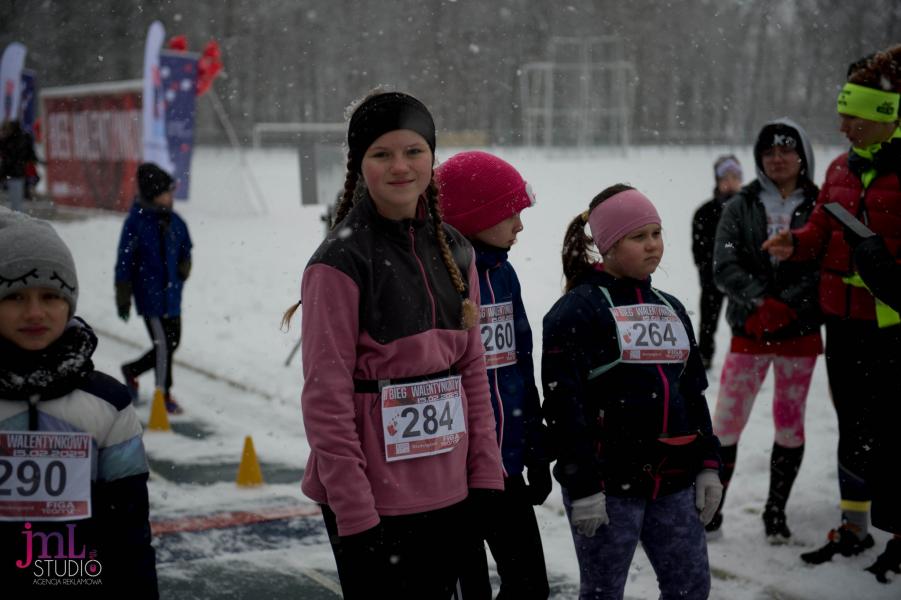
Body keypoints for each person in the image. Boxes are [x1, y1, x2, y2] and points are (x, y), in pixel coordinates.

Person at [283, 91, 504, 599]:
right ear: (359, 165)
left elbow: (472, 371)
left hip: (449, 491)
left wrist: (486, 475)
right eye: (382, 154)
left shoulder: (456, 250)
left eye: (413, 151)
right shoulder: (338, 262)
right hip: (372, 503)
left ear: (432, 156)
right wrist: (355, 510)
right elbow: (326, 398)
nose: (400, 166)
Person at [542, 184, 722, 600]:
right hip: (608, 487)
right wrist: (583, 485)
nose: (653, 246)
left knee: (691, 586)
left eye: (657, 233)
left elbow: (692, 394)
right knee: (604, 592)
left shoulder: (672, 306)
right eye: (638, 237)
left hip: (673, 480)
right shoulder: (578, 310)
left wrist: (708, 463)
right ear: (607, 245)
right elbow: (564, 408)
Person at [762, 44, 901, 574]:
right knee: (852, 424)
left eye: (852, 118)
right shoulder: (842, 168)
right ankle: (854, 524)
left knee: (893, 431)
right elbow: (823, 226)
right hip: (842, 321)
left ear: (883, 117)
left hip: (892, 324)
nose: (842, 128)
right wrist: (796, 243)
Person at [0, 207, 158, 597]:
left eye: (50, 295)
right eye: (15, 296)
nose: (34, 312)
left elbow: (130, 530)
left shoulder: (108, 404)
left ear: (69, 302)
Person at [437, 150, 552, 599]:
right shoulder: (441, 281)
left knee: (530, 586)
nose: (519, 225)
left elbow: (520, 362)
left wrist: (535, 444)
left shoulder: (504, 276)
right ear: (472, 215)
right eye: (510, 213)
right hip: (456, 476)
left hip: (506, 469)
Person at [705, 119, 821, 543]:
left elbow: (824, 265)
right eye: (769, 151)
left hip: (800, 333)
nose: (777, 158)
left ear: (803, 156)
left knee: (790, 425)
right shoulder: (741, 204)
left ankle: (776, 511)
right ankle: (712, 512)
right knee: (727, 425)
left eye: (786, 150)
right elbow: (723, 264)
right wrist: (759, 300)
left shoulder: (821, 206)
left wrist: (788, 306)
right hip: (749, 331)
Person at [116, 163, 192, 415]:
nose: (171, 197)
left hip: (172, 296)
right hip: (149, 297)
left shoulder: (175, 221)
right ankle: (163, 395)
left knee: (172, 344)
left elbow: (185, 248)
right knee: (162, 345)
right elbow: (124, 261)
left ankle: (132, 370)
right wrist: (123, 295)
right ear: (153, 194)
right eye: (167, 192)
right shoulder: (136, 223)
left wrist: (184, 267)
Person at [691, 154, 743, 370]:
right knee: (708, 324)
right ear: (717, 179)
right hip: (712, 278)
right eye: (726, 176)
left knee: (742, 324)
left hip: (741, 279)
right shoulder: (704, 212)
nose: (730, 181)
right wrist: (710, 270)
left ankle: (742, 358)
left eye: (735, 176)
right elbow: (699, 249)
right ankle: (704, 357)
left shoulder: (748, 210)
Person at [0, 120, 38, 212]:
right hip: (17, 174)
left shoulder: (11, 140)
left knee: (14, 203)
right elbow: (30, 156)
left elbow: (10, 158)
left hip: (13, 174)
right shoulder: (23, 138)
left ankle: (15, 220)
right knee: (16, 202)